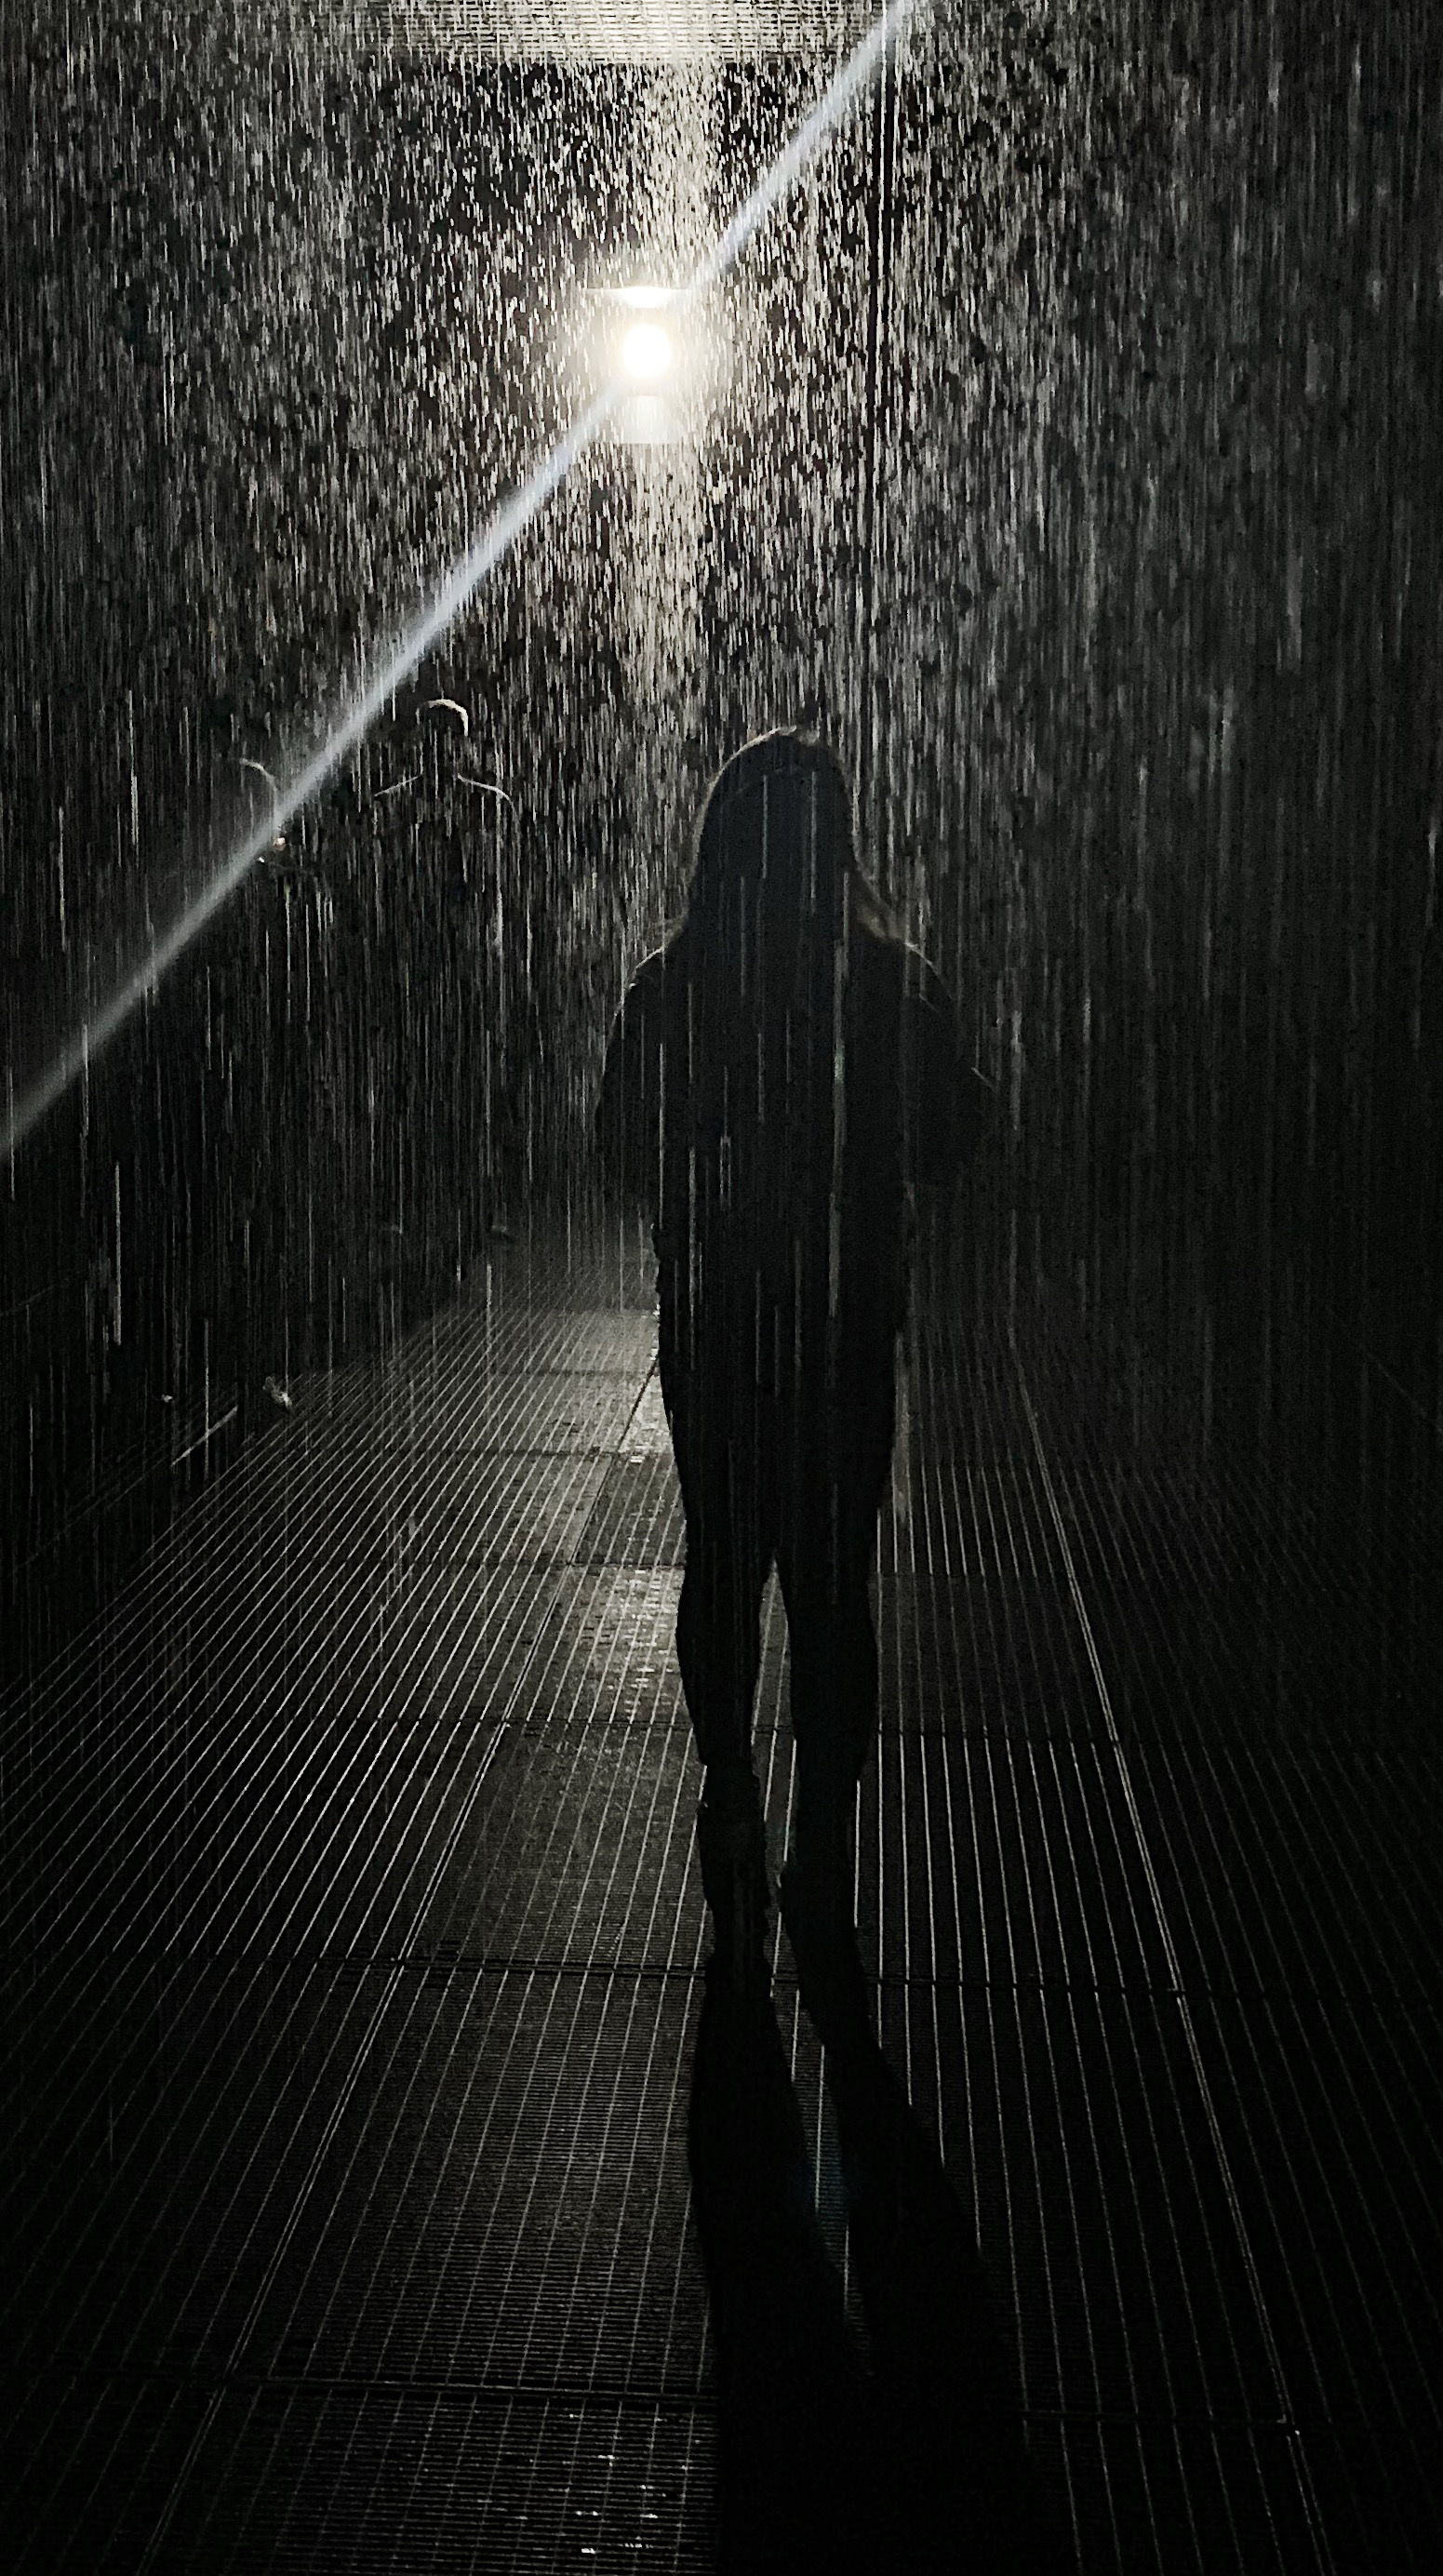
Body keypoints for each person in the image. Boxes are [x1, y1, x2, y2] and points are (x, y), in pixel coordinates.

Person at [596, 732, 989, 2002]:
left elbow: (613, 1148)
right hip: (837, 1331)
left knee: (722, 1558)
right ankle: (822, 1844)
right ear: (835, 846)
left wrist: (709, 1181)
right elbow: (954, 1137)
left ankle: (728, 1794)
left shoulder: (674, 984)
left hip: (717, 1326)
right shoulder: (883, 985)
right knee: (831, 1591)